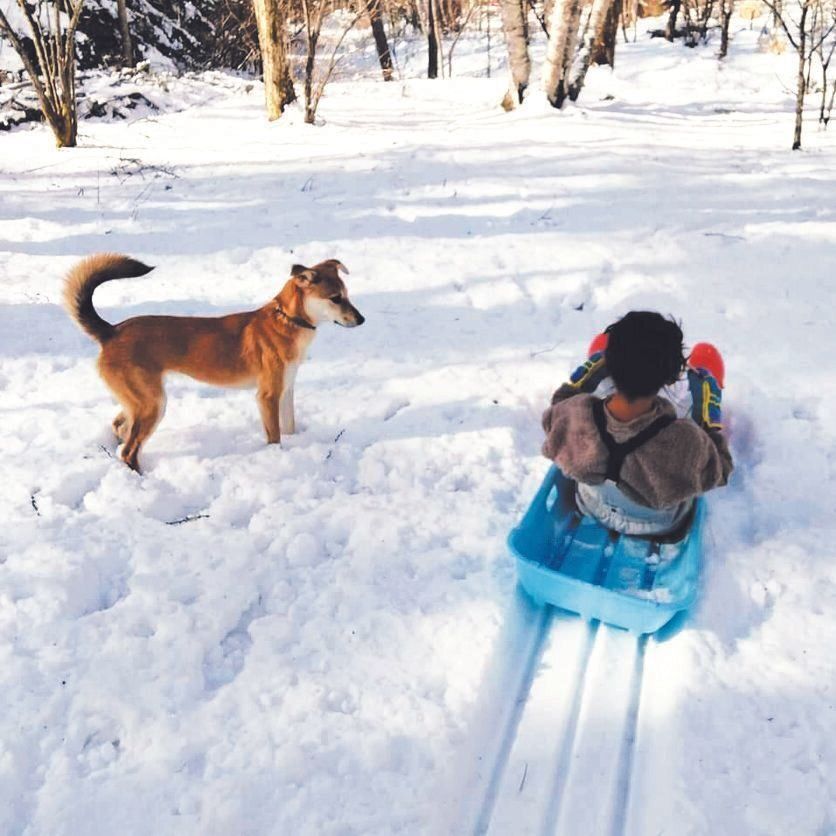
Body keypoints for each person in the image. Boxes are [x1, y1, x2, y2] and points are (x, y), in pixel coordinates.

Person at [541, 311, 733, 537]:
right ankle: (706, 386)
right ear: (671, 378)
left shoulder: (572, 414)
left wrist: (600, 364)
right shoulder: (684, 441)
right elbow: (720, 470)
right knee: (705, 362)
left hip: (591, 508)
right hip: (662, 524)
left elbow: (560, 403)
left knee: (599, 348)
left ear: (609, 366)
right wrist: (709, 430)